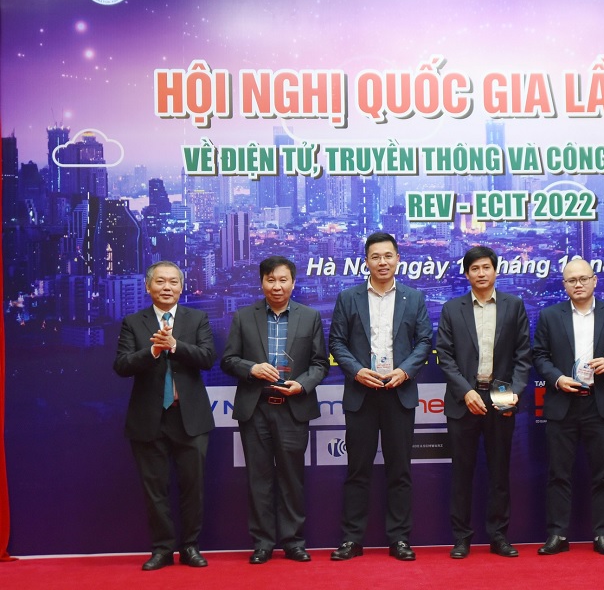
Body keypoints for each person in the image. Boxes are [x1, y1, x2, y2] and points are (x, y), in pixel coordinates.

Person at [328, 232, 432, 562]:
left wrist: (406, 371)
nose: (382, 262)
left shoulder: (414, 298)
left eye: (388, 256)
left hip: (399, 393)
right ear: (366, 261)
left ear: (398, 259)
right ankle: (351, 539)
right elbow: (336, 343)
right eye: (375, 256)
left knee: (399, 471)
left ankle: (399, 539)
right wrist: (357, 371)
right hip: (361, 393)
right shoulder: (349, 297)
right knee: (357, 471)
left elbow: (424, 341)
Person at [221, 256, 329, 564]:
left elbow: (320, 364)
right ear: (262, 283)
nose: (277, 286)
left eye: (283, 280)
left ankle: (293, 542)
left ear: (293, 283)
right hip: (256, 408)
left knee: (292, 479)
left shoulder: (310, 317)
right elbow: (228, 360)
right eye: (271, 280)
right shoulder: (244, 316)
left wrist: (302, 385)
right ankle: (263, 543)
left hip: (293, 407)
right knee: (259, 479)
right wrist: (252, 368)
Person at [113, 261, 216, 571]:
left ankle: (190, 547)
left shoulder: (197, 318)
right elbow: (122, 365)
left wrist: (174, 345)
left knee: (193, 487)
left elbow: (207, 358)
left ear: (181, 287)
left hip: (190, 417)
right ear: (148, 287)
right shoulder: (133, 322)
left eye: (173, 281)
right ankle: (162, 549)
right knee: (155, 489)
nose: (167, 287)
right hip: (149, 418)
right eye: (160, 281)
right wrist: (153, 352)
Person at [532, 258, 604, 557]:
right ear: (564, 285)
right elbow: (539, 355)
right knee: (558, 474)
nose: (578, 284)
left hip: (599, 402)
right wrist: (557, 378)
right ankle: (557, 534)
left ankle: (603, 535)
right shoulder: (550, 315)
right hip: (562, 402)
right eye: (571, 280)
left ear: (594, 281)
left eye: (583, 279)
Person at [436, 245, 532, 559]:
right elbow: (445, 356)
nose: (481, 273)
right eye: (474, 268)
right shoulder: (452, 309)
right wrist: (466, 391)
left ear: (495, 271)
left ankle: (498, 536)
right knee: (461, 473)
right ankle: (461, 538)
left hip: (501, 394)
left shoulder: (513, 305)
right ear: (467, 274)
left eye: (486, 267)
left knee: (499, 472)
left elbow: (523, 354)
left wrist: (516, 391)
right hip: (464, 397)